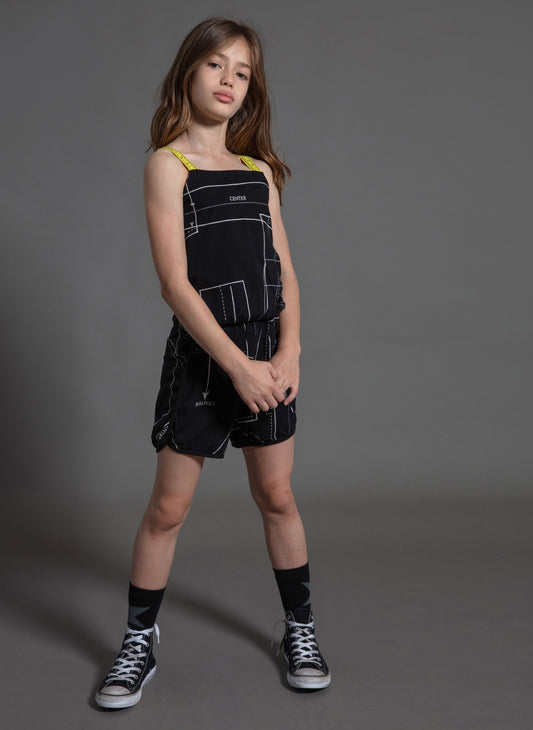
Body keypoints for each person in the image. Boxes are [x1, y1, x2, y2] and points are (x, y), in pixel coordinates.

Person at [94, 16, 330, 709]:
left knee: (277, 496)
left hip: (267, 354)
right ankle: (138, 641)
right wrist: (236, 366)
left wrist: (288, 351)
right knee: (169, 507)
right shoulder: (168, 165)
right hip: (206, 357)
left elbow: (285, 271)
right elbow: (175, 284)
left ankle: (300, 629)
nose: (229, 80)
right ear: (188, 71)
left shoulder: (260, 171)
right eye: (216, 65)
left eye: (243, 72)